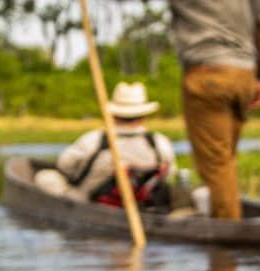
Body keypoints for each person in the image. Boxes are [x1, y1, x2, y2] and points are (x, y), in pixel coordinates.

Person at [64, 0, 260, 221]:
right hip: (244, 76)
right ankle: (227, 234)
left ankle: (228, 251)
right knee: (225, 161)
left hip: (208, 77)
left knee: (216, 167)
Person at [37, 80, 176, 207]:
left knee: (45, 177)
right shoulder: (159, 142)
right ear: (144, 115)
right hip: (142, 204)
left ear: (113, 114)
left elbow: (65, 167)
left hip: (90, 202)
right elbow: (169, 175)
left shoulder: (93, 140)